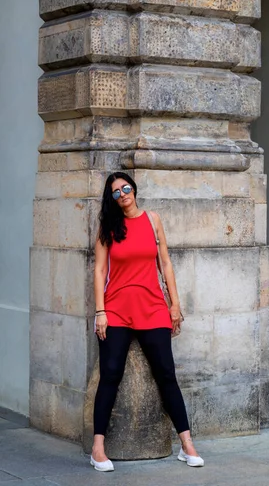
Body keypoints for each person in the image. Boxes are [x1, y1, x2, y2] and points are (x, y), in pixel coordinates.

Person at [90, 172, 204, 472]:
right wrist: (99, 312)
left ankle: (187, 444)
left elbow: (165, 263)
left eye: (126, 188)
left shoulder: (153, 220)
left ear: (134, 189)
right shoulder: (107, 228)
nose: (122, 194)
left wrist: (175, 304)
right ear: (111, 198)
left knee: (167, 374)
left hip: (153, 308)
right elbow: (100, 271)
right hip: (115, 309)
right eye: (115, 192)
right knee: (110, 375)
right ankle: (97, 448)